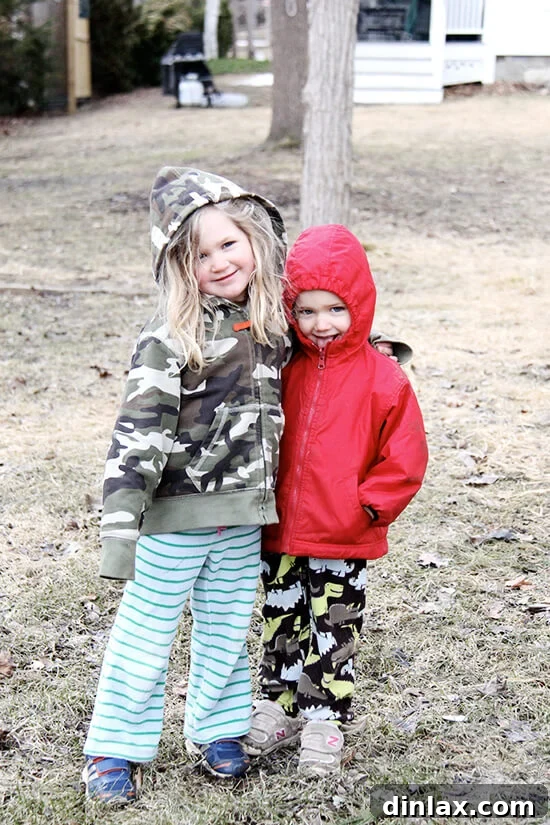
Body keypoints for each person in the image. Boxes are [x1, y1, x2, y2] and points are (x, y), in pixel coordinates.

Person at [82, 167, 290, 803]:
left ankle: (218, 731)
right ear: (180, 266)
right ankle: (115, 746)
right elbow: (135, 439)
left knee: (228, 625)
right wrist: (120, 533)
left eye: (230, 243)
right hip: (173, 518)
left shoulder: (270, 326)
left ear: (255, 239)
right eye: (201, 254)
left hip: (244, 516)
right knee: (147, 633)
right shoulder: (169, 340)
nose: (220, 261)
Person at [243, 224, 429, 776]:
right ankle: (276, 702)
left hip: (343, 530)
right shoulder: (281, 367)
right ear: (288, 311)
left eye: (334, 309)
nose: (321, 324)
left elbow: (406, 455)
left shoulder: (382, 379)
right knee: (281, 617)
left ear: (360, 304)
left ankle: (324, 716)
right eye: (306, 311)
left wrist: (370, 506)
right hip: (279, 526)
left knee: (334, 622)